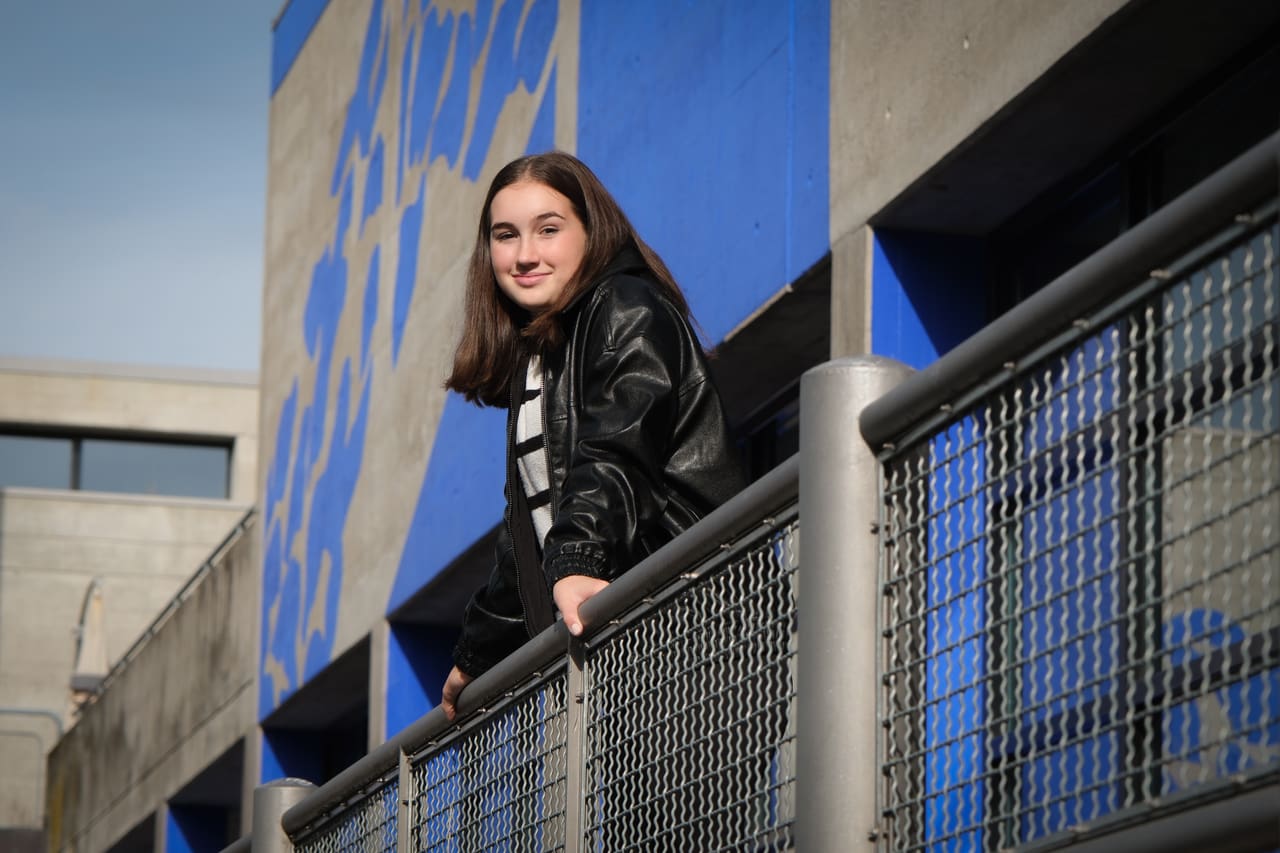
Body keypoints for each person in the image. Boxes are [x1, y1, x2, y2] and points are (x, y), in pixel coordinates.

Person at [439, 151, 745, 720]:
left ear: (591, 230)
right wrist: (476, 654)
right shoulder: (541, 355)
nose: (525, 254)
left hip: (700, 633)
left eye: (548, 230)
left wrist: (580, 557)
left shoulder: (626, 307)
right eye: (505, 236)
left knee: (679, 813)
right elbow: (527, 536)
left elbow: (616, 454)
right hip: (629, 651)